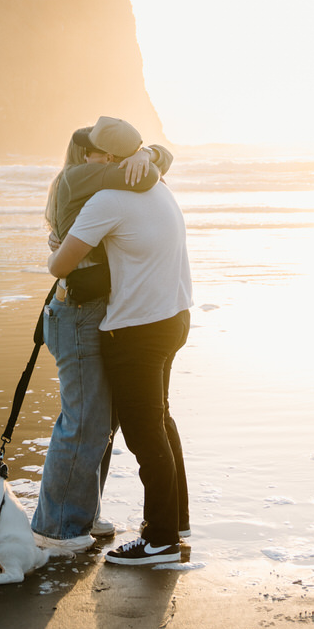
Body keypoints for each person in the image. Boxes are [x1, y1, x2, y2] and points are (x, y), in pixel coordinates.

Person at [47, 128, 193, 566]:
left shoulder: (106, 200)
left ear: (107, 158)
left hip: (137, 330)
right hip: (174, 317)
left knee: (144, 434)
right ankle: (176, 522)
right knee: (161, 422)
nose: (84, 160)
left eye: (90, 154)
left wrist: (59, 245)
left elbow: (58, 264)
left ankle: (161, 541)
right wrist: (151, 155)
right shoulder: (158, 187)